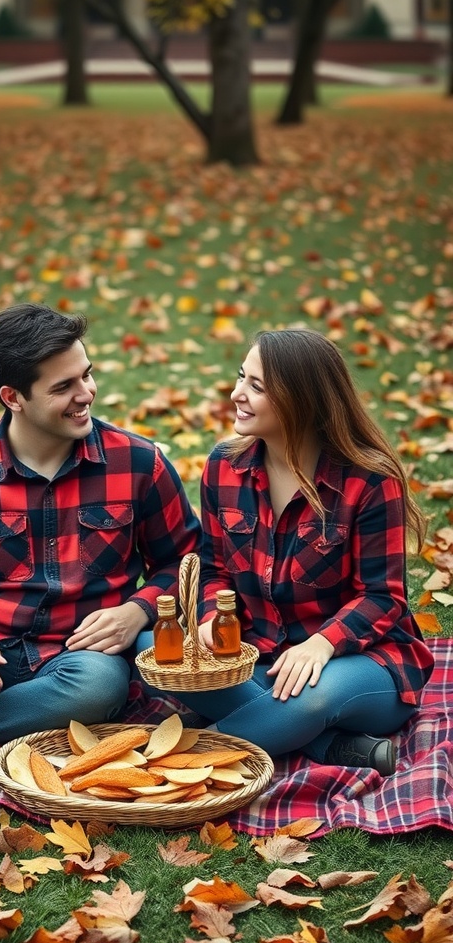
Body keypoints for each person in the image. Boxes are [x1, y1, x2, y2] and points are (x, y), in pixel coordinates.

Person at [0, 304, 201, 751]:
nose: (86, 393)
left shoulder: (139, 463)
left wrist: (138, 611)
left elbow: (185, 563)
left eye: (86, 375)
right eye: (64, 386)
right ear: (13, 397)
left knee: (97, 688)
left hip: (74, 662)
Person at [137, 328, 433, 776]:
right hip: (259, 655)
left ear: (302, 400)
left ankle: (164, 767)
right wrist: (207, 623)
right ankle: (329, 745)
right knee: (155, 648)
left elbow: (383, 597)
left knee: (312, 697)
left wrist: (322, 645)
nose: (236, 394)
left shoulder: (369, 481)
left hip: (360, 663)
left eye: (256, 387)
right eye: (241, 378)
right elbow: (215, 568)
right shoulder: (224, 466)